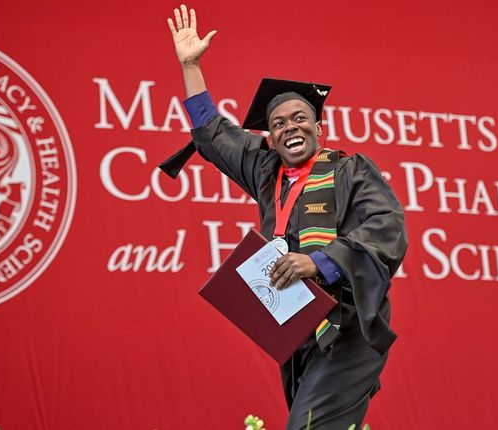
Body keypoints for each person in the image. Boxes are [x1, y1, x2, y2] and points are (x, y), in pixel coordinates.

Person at [161, 5, 408, 429]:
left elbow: (387, 230)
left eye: (299, 118)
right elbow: (214, 135)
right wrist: (191, 65)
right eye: (278, 124)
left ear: (319, 128)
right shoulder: (266, 172)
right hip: (297, 327)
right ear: (271, 138)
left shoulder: (351, 170)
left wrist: (319, 260)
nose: (290, 127)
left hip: (346, 327)